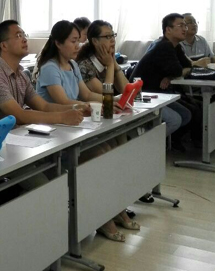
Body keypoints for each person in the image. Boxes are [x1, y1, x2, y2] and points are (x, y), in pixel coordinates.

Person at [34, 20, 138, 241]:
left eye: (78, 41)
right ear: (58, 43)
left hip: (73, 126)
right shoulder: (51, 67)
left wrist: (112, 100)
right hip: (55, 132)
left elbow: (88, 95)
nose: (77, 46)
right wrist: (93, 103)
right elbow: (64, 102)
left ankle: (114, 208)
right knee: (99, 154)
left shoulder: (72, 65)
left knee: (109, 148)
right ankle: (103, 218)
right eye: (73, 41)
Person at [77, 20, 185, 147]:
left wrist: (114, 63)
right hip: (94, 116)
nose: (112, 40)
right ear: (95, 41)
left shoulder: (106, 60)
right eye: (107, 37)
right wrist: (111, 65)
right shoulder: (85, 66)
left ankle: (141, 145)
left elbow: (126, 90)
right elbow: (106, 94)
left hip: (112, 113)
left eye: (113, 35)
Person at [0, 20, 84, 128]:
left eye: (24, 35)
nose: (24, 39)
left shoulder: (21, 75)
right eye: (18, 36)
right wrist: (62, 117)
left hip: (17, 135)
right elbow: (19, 116)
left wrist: (78, 108)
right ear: (4, 46)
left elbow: (44, 106)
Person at [131, 13, 202, 151]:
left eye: (185, 25)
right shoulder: (163, 46)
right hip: (144, 95)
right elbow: (178, 70)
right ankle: (143, 146)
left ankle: (161, 144)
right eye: (181, 25)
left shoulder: (176, 46)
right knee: (176, 119)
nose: (185, 29)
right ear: (168, 29)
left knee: (187, 114)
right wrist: (174, 74)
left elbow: (188, 66)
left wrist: (170, 76)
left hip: (160, 94)